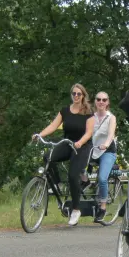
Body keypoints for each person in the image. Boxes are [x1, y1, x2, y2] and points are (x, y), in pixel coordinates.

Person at [33, 83, 95, 226]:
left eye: (79, 94)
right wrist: (39, 134)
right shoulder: (65, 111)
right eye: (74, 93)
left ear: (83, 96)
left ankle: (75, 209)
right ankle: (58, 183)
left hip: (82, 145)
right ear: (71, 95)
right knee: (47, 157)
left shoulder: (88, 113)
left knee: (73, 175)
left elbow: (89, 133)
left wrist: (80, 142)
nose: (76, 96)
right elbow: (53, 126)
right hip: (67, 143)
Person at [90, 91, 118, 222]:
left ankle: (103, 207)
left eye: (104, 100)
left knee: (102, 178)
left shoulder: (111, 118)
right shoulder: (91, 117)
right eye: (99, 99)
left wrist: (106, 144)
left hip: (107, 151)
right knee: (76, 169)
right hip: (93, 150)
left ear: (108, 103)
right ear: (95, 101)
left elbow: (111, 134)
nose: (101, 102)